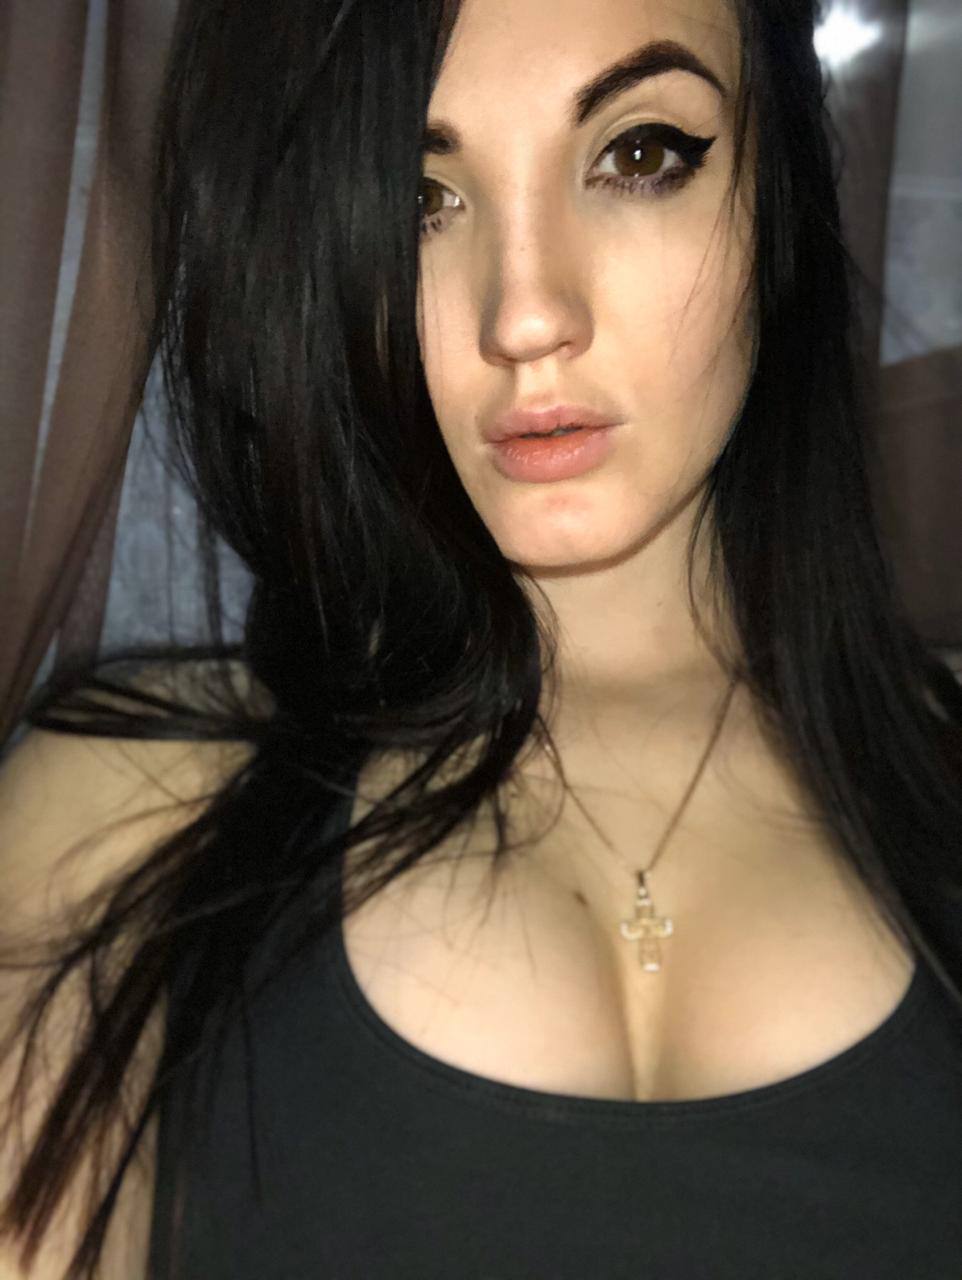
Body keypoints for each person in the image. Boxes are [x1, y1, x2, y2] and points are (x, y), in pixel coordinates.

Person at [2, 0, 962, 1276]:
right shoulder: (119, 817)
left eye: (637, 155)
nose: (525, 313)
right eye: (421, 198)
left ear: (773, 189)